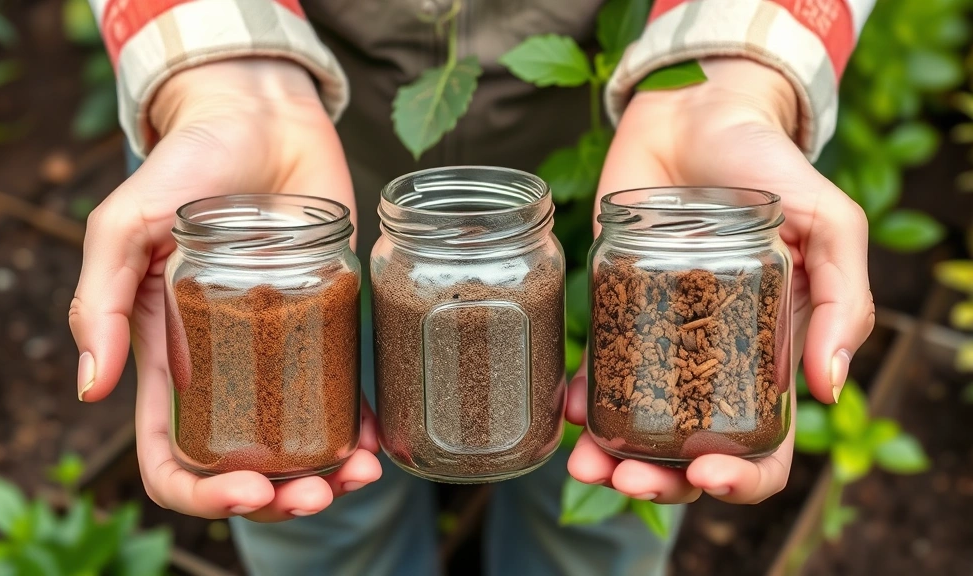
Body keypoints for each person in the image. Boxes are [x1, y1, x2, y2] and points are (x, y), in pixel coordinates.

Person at [68, 0, 877, 573]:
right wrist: (219, 75)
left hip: (615, 147)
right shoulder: (344, 260)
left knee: (598, 526)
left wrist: (733, 78)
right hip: (270, 174)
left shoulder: (601, 255)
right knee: (312, 509)